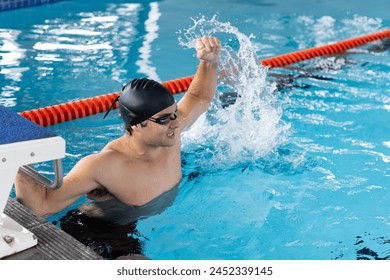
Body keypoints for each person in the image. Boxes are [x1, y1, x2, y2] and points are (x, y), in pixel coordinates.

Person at [14, 36, 221, 259]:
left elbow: (199, 97)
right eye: (163, 119)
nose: (175, 122)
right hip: (94, 232)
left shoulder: (171, 131)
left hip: (131, 225)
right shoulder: (103, 165)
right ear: (136, 124)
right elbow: (41, 206)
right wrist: (16, 156)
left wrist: (209, 62)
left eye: (173, 114)